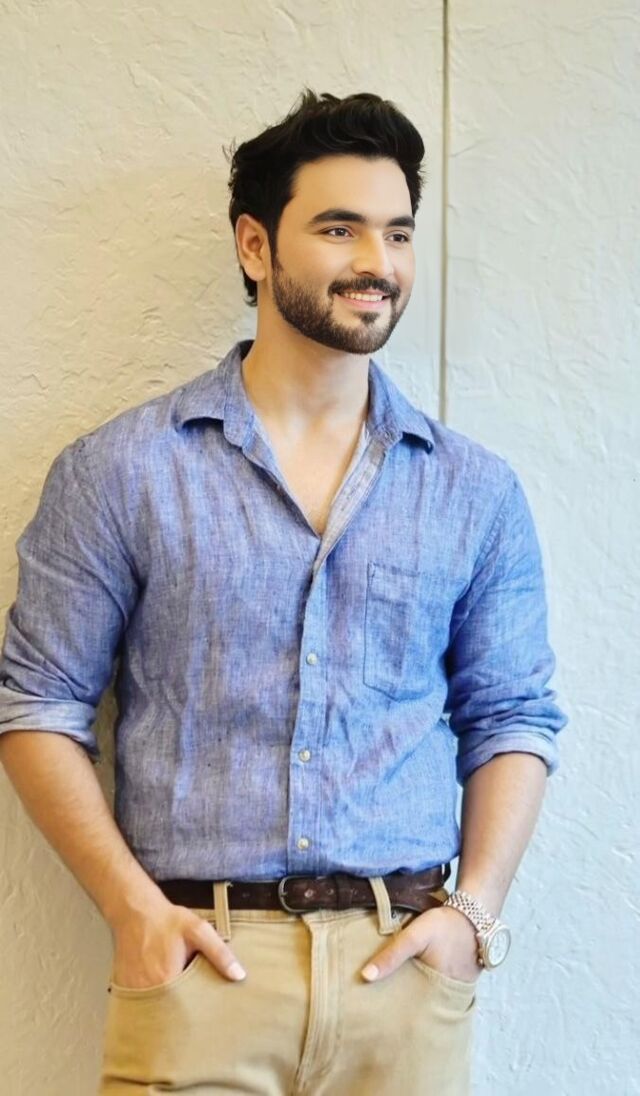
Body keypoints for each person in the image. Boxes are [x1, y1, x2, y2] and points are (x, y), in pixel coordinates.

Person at [0, 89, 567, 1095]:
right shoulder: (124, 472)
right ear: (255, 246)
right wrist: (133, 913)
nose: (377, 262)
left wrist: (471, 916)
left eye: (397, 232)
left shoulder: (473, 490)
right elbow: (38, 705)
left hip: (403, 973)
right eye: (339, 228)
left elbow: (513, 715)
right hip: (199, 968)